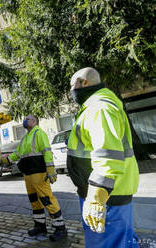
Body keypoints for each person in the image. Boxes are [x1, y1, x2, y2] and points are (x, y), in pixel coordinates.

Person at [67, 67, 140, 247]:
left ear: (84, 83)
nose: (71, 91)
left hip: (105, 197)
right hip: (111, 194)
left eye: (71, 86)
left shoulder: (98, 108)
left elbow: (107, 156)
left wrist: (96, 198)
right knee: (124, 241)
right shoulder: (99, 105)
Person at [0, 115, 67, 241]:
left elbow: (47, 151)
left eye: (27, 119)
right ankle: (40, 226)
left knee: (47, 199)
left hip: (39, 173)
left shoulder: (39, 133)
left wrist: (50, 169)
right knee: (34, 200)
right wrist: (5, 160)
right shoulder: (25, 138)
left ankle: (60, 228)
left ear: (34, 121)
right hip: (28, 174)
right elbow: (18, 153)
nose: (25, 120)